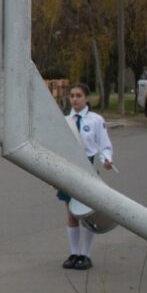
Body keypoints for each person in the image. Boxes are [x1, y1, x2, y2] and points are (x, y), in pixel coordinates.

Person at [59, 83, 113, 271]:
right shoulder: (65, 121)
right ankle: (74, 253)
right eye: (72, 96)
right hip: (70, 169)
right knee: (71, 212)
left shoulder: (96, 120)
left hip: (88, 167)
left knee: (87, 214)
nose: (74, 99)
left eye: (79, 95)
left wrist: (107, 160)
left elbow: (104, 146)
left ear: (86, 98)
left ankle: (86, 255)